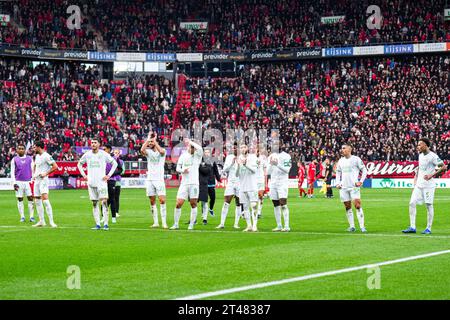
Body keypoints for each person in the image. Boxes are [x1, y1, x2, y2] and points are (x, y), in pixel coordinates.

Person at [402, 138, 447, 234]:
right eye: (418, 145)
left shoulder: (433, 156)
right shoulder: (420, 155)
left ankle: (428, 228)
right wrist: (415, 178)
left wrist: (432, 175)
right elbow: (419, 168)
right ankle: (412, 227)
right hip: (419, 184)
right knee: (411, 203)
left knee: (429, 205)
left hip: (428, 185)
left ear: (425, 145)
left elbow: (443, 167)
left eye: (420, 145)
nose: (418, 147)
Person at [77, 138, 118, 230]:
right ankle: (98, 224)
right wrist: (84, 175)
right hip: (91, 183)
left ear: (99, 144)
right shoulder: (87, 155)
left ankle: (106, 224)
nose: (93, 144)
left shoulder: (103, 154)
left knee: (104, 202)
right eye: (92, 143)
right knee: (94, 203)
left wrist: (108, 175)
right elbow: (79, 164)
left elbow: (114, 163)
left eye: (95, 143)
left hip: (101, 183)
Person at [171, 138, 203, 230]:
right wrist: (182, 170)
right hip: (184, 183)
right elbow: (177, 167)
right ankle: (176, 224)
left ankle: (191, 224)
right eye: (191, 147)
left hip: (194, 184)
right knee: (178, 203)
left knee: (193, 204)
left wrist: (191, 142)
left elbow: (200, 148)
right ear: (188, 147)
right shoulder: (183, 156)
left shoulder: (197, 156)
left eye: (193, 147)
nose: (193, 149)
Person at [335, 144, 368, 233]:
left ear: (349, 149)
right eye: (341, 148)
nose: (342, 150)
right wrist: (338, 183)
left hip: (354, 187)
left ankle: (362, 226)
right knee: (347, 207)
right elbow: (338, 172)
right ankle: (352, 226)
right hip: (343, 187)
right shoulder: (340, 161)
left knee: (357, 205)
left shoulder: (356, 159)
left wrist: (360, 181)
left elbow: (364, 170)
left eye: (344, 148)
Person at [141, 133, 167, 229]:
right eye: (149, 142)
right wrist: (148, 139)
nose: (150, 143)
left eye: (151, 142)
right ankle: (156, 222)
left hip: (159, 179)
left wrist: (154, 140)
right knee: (152, 201)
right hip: (150, 179)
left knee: (162, 200)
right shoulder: (148, 152)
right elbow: (142, 150)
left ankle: (164, 222)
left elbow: (161, 151)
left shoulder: (162, 151)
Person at [32, 141, 58, 228]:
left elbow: (55, 166)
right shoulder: (37, 156)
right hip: (37, 180)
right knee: (37, 201)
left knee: (45, 201)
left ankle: (51, 222)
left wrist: (45, 173)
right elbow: (35, 166)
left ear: (39, 147)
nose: (34, 149)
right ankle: (41, 221)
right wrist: (33, 174)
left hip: (43, 180)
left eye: (35, 147)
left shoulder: (47, 156)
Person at [216, 144, 243, 229]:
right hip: (231, 182)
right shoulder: (229, 157)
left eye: (236, 148)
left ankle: (236, 224)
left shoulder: (243, 158)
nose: (235, 149)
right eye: (234, 148)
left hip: (240, 183)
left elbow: (241, 172)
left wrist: (238, 165)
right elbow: (224, 169)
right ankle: (222, 223)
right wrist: (232, 163)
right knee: (226, 202)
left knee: (238, 203)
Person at [268, 150, 292, 232]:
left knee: (283, 204)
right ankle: (279, 225)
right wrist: (271, 165)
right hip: (273, 183)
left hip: (282, 183)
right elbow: (268, 171)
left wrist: (277, 164)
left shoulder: (286, 156)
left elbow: (287, 170)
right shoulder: (271, 155)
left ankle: (287, 226)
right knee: (275, 204)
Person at [236, 144, 259, 232]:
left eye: (244, 147)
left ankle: (255, 225)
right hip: (242, 187)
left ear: (247, 148)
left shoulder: (253, 157)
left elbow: (254, 171)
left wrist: (245, 164)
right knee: (245, 207)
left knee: (253, 206)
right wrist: (238, 166)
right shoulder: (238, 158)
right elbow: (236, 174)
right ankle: (249, 225)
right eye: (241, 147)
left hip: (252, 186)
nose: (242, 149)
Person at [11, 143, 35, 222]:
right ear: (17, 150)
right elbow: (12, 172)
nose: (21, 150)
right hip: (18, 182)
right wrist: (14, 183)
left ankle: (31, 217)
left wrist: (33, 179)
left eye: (22, 148)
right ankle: (22, 216)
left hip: (28, 182)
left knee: (30, 198)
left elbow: (33, 170)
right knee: (20, 199)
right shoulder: (14, 159)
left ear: (25, 150)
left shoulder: (30, 158)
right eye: (19, 148)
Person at [198, 149, 220, 225]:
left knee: (213, 198)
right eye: (206, 152)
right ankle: (204, 214)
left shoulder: (212, 161)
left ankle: (210, 209)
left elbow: (216, 170)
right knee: (204, 199)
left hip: (211, 182)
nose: (207, 153)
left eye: (208, 152)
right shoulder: (201, 161)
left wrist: (218, 179)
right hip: (204, 182)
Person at [104, 145, 124, 224]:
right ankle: (104, 217)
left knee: (112, 199)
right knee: (103, 200)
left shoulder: (115, 159)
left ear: (109, 150)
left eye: (104, 149)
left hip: (112, 180)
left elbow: (120, 170)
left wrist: (109, 175)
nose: (103, 150)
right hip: (102, 181)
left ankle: (113, 217)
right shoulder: (100, 158)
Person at [256, 148, 268, 219]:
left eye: (258, 151)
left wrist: (265, 182)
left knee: (260, 196)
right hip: (253, 181)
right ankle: (253, 212)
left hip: (261, 180)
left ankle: (259, 212)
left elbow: (265, 170)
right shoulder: (251, 158)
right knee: (253, 197)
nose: (257, 152)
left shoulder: (263, 159)